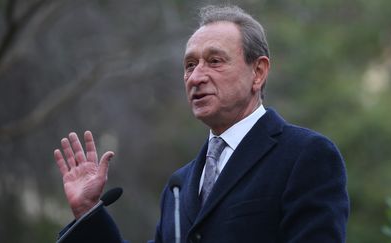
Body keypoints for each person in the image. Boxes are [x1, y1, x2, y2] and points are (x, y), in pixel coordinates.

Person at [54, 5, 349, 243]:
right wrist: (88, 212)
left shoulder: (305, 156)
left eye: (215, 61)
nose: (196, 77)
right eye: (190, 65)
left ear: (258, 72)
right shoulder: (178, 187)